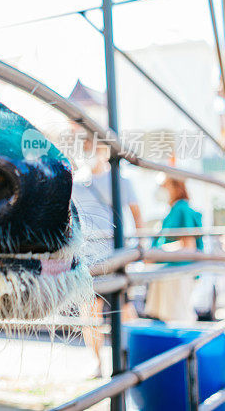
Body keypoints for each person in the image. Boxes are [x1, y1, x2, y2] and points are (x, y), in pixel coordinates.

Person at [71, 139, 143, 378]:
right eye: (87, 145)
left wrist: (139, 248)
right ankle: (97, 362)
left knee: (125, 308)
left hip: (116, 254)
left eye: (95, 144)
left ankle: (133, 356)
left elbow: (136, 214)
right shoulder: (76, 182)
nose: (91, 150)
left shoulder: (121, 180)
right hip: (89, 256)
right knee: (89, 310)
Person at [144, 177, 203, 322]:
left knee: (178, 319)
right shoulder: (173, 211)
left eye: (165, 185)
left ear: (176, 187)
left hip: (177, 274)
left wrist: (157, 254)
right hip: (169, 274)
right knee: (170, 318)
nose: (161, 190)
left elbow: (188, 246)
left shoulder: (181, 209)